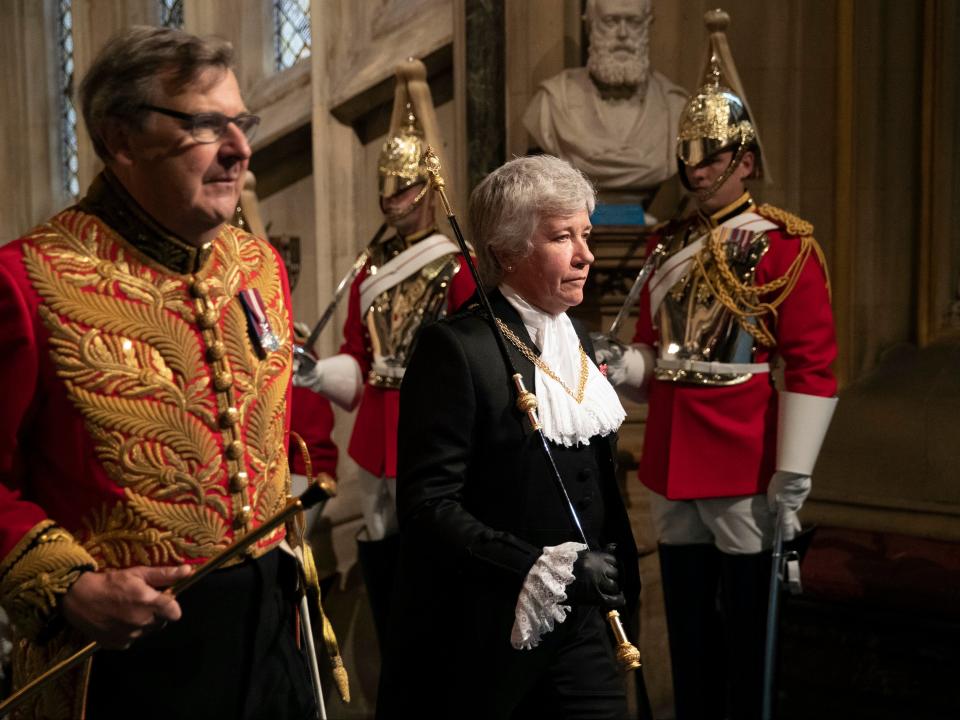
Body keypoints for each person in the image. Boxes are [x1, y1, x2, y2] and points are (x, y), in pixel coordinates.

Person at [0, 27, 319, 719]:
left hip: (270, 644)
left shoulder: (257, 266)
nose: (240, 149)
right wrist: (69, 588)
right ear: (121, 139)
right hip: (125, 664)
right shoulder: (25, 279)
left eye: (243, 121)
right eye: (207, 124)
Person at [597, 11, 838, 719]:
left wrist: (793, 472)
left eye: (714, 155)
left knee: (746, 639)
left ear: (747, 160)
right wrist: (622, 367)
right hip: (672, 456)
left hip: (741, 460)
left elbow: (813, 366)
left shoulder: (785, 247)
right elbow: (659, 355)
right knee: (689, 633)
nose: (697, 168)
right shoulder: (666, 249)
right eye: (691, 156)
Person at [377, 155, 641, 719]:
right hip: (490, 633)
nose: (585, 255)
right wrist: (538, 565)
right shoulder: (457, 348)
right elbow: (428, 506)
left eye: (586, 234)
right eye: (561, 237)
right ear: (505, 250)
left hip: (586, 625)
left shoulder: (580, 342)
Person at [294, 59, 475, 650]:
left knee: (432, 553)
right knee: (378, 542)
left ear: (429, 187)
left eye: (404, 188)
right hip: (378, 424)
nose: (392, 201)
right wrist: (319, 374)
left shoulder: (456, 265)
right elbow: (357, 356)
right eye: (386, 189)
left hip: (431, 425)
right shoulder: (368, 271)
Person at [523, 0, 687, 203]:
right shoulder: (553, 101)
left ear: (647, 26)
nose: (623, 34)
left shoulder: (676, 107)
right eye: (611, 21)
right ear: (590, 25)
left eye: (634, 22)